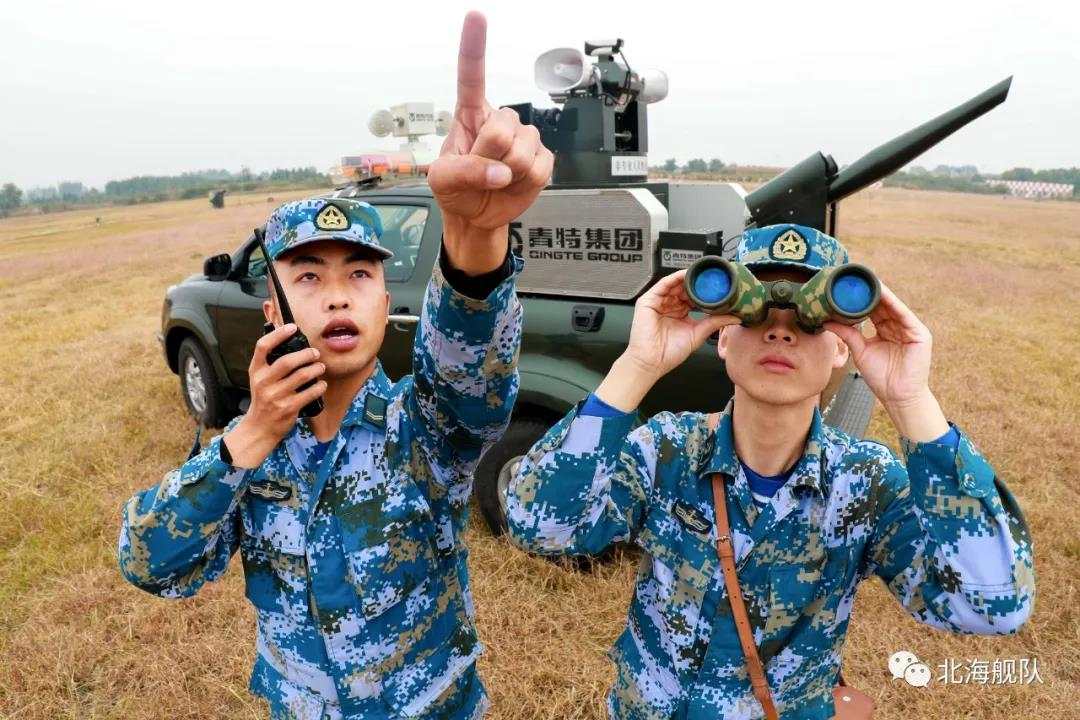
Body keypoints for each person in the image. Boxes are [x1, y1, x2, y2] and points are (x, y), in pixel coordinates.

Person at [118, 12, 553, 719]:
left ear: (383, 304)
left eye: (358, 274)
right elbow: (149, 563)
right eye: (309, 277)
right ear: (273, 312)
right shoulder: (246, 450)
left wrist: (475, 236)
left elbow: (470, 363)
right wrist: (253, 433)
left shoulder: (427, 428)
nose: (338, 296)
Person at [505, 223, 1035, 719]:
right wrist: (637, 365)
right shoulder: (667, 450)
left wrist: (911, 399)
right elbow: (539, 525)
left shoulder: (864, 481)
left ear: (841, 348)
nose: (781, 332)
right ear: (723, 336)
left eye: (809, 319)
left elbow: (993, 605)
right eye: (756, 313)